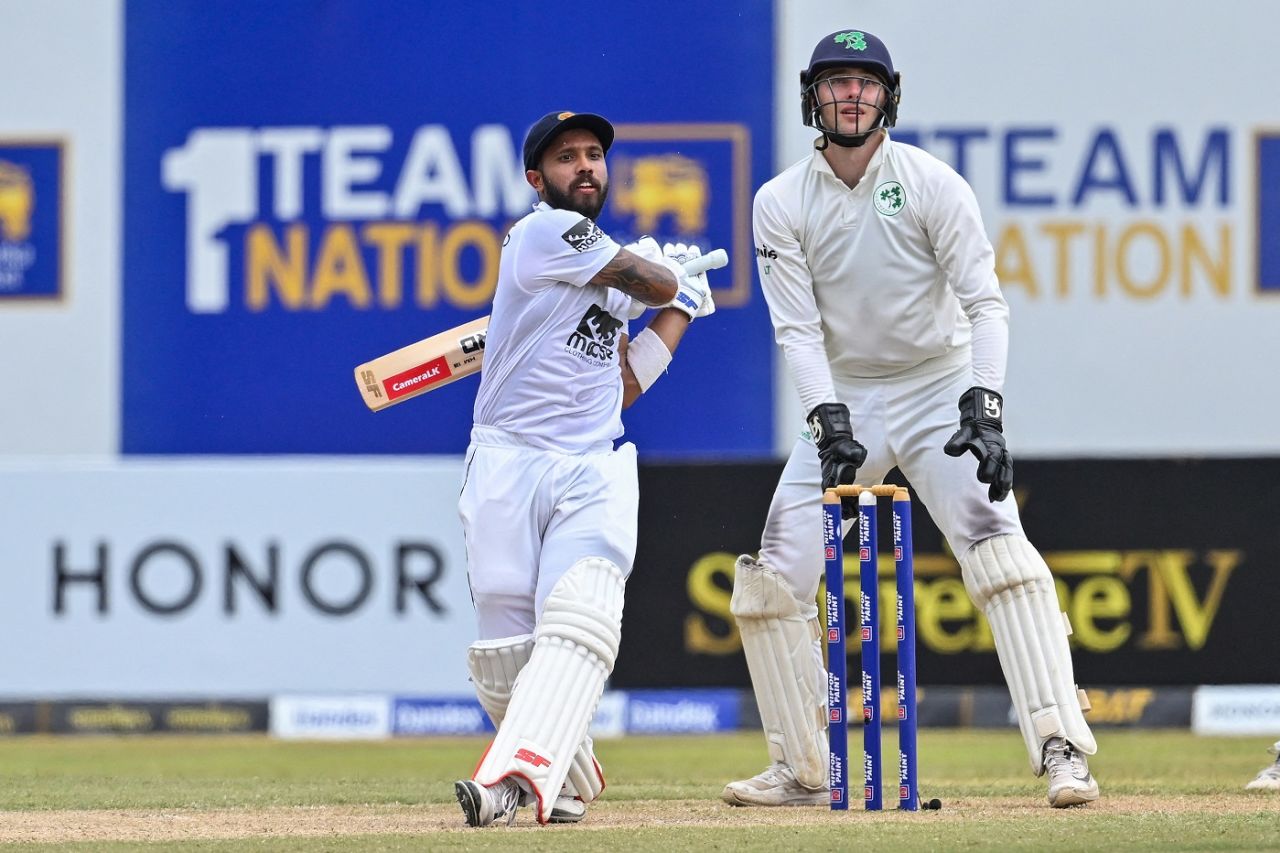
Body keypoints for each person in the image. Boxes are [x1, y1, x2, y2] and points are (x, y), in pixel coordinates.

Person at [722, 29, 1099, 810]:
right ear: (812, 98)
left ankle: (1064, 747)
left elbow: (985, 303)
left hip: (938, 385)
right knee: (770, 582)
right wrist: (825, 414)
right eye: (836, 84)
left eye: (864, 83)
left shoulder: (932, 182)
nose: (850, 96)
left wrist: (985, 406)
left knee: (999, 550)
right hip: (846, 395)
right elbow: (796, 327)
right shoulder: (780, 201)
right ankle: (804, 766)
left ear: (889, 95)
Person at [452, 110, 716, 828]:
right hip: (508, 458)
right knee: (504, 650)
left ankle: (514, 778)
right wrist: (672, 281)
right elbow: (643, 277)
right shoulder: (540, 234)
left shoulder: (608, 273)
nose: (585, 167)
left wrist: (680, 311)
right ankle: (571, 768)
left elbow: (622, 382)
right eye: (567, 158)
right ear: (540, 180)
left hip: (592, 464)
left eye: (594, 154)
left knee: (579, 616)